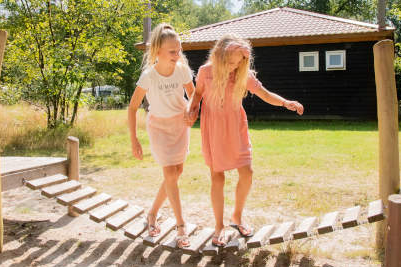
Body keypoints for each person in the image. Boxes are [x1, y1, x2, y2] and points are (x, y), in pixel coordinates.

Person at [186, 34, 304, 247]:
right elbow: (197, 95)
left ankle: (237, 217)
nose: (234, 66)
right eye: (230, 62)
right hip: (213, 128)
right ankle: (219, 226)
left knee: (247, 173)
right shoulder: (205, 72)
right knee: (217, 177)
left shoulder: (243, 75)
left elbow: (265, 94)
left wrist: (286, 102)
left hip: (236, 127)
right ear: (219, 56)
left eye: (239, 62)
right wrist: (191, 109)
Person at [128, 23, 194, 248]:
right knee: (170, 173)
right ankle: (181, 226)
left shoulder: (183, 70)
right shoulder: (149, 76)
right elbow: (132, 107)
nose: (178, 55)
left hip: (179, 125)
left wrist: (191, 111)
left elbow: (194, 97)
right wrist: (134, 139)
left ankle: (152, 214)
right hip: (158, 127)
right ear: (157, 52)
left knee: (175, 174)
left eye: (179, 50)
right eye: (172, 51)